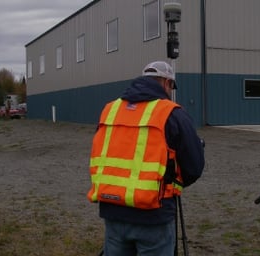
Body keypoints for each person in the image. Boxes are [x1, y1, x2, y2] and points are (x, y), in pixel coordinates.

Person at [87, 61, 205, 256]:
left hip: (113, 211)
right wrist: (171, 182)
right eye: (171, 86)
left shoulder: (110, 110)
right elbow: (193, 167)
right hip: (154, 215)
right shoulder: (172, 113)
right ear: (167, 83)